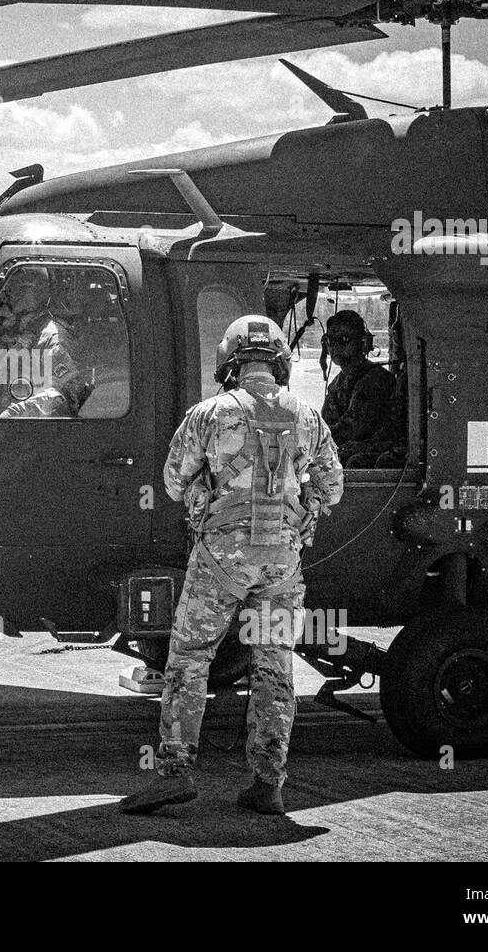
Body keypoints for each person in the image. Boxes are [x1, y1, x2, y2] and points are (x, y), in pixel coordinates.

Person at [120, 315, 343, 817]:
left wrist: (205, 491)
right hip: (282, 565)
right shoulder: (308, 417)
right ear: (280, 360)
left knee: (190, 659)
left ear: (229, 361)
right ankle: (269, 783)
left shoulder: (209, 414)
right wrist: (298, 496)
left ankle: (174, 773)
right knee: (274, 666)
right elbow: (332, 487)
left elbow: (176, 481)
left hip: (221, 561)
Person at [0, 265, 88, 418]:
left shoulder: (52, 336)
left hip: (26, 427)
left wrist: (16, 413)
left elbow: (66, 391)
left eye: (9, 292)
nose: (3, 299)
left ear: (26, 293)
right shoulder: (7, 335)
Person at [320, 309, 399, 466]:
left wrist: (315, 440)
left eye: (344, 339)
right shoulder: (336, 384)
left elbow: (351, 429)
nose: (334, 347)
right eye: (330, 341)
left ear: (362, 342)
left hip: (375, 451)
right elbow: (328, 424)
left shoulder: (376, 380)